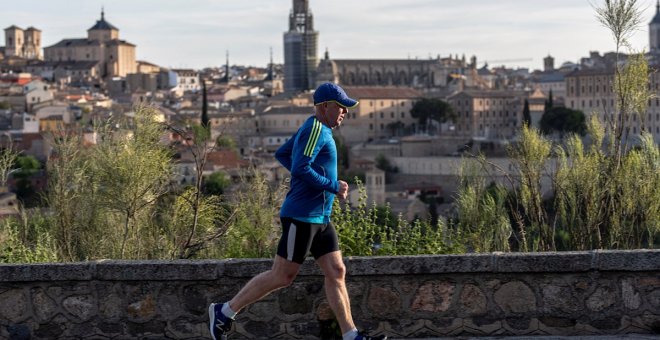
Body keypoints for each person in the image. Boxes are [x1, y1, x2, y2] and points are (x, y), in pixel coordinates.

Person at [209, 83, 387, 340]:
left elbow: (283, 154)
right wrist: (333, 185)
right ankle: (224, 312)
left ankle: (351, 336)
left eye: (347, 109)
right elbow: (301, 168)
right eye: (341, 107)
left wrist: (321, 185)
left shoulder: (318, 128)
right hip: (302, 215)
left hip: (320, 216)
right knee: (282, 275)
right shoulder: (316, 128)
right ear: (325, 106)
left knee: (336, 271)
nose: (345, 113)